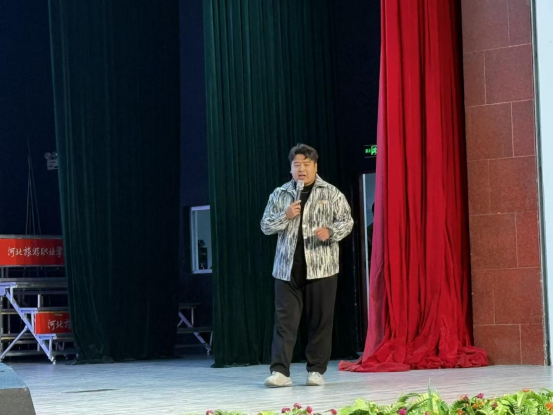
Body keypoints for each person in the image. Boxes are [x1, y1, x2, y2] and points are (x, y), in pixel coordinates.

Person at [260, 143, 353, 387]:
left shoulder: (331, 192)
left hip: (322, 268)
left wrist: (330, 231)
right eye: (297, 165)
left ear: (315, 167)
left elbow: (347, 221)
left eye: (306, 164)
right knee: (284, 323)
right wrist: (285, 215)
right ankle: (280, 372)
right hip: (286, 269)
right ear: (291, 168)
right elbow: (265, 226)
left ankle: (316, 371)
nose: (301, 169)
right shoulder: (280, 194)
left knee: (320, 321)